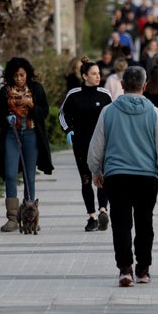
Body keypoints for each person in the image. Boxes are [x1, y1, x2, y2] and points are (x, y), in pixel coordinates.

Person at [88, 66, 158, 287]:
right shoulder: (154, 112)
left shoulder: (108, 111)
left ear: (123, 85)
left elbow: (97, 146)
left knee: (121, 223)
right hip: (147, 177)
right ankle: (143, 270)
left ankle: (125, 270)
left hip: (117, 177)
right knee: (145, 223)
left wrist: (96, 171)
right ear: (145, 86)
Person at [0, 57, 54, 232]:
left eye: (22, 75)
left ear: (27, 74)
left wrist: (31, 105)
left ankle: (30, 217)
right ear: (10, 76)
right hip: (12, 135)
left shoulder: (36, 89)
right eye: (15, 76)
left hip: (31, 134)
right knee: (10, 174)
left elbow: (44, 112)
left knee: (29, 177)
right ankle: (12, 218)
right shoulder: (4, 92)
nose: (19, 79)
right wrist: (7, 119)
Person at [59, 57, 113, 232]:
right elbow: (62, 114)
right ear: (84, 76)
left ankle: (103, 210)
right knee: (86, 180)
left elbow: (113, 118)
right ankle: (92, 217)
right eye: (94, 74)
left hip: (102, 144)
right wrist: (68, 131)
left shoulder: (105, 95)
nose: (98, 77)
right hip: (81, 143)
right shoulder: (74, 94)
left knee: (102, 177)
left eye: (99, 74)